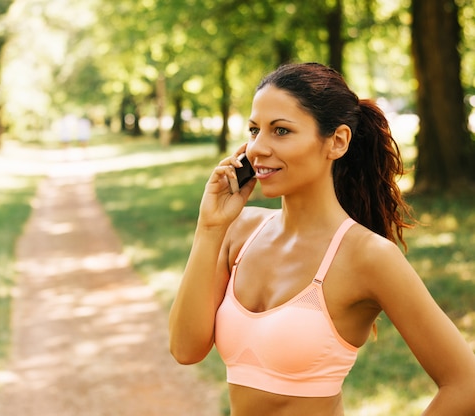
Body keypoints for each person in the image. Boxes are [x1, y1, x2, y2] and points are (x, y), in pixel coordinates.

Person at [168, 62, 475, 415]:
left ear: (337, 142)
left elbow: (465, 384)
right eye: (254, 130)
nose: (257, 148)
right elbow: (185, 350)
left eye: (280, 131)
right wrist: (210, 229)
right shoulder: (240, 230)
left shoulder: (367, 255)